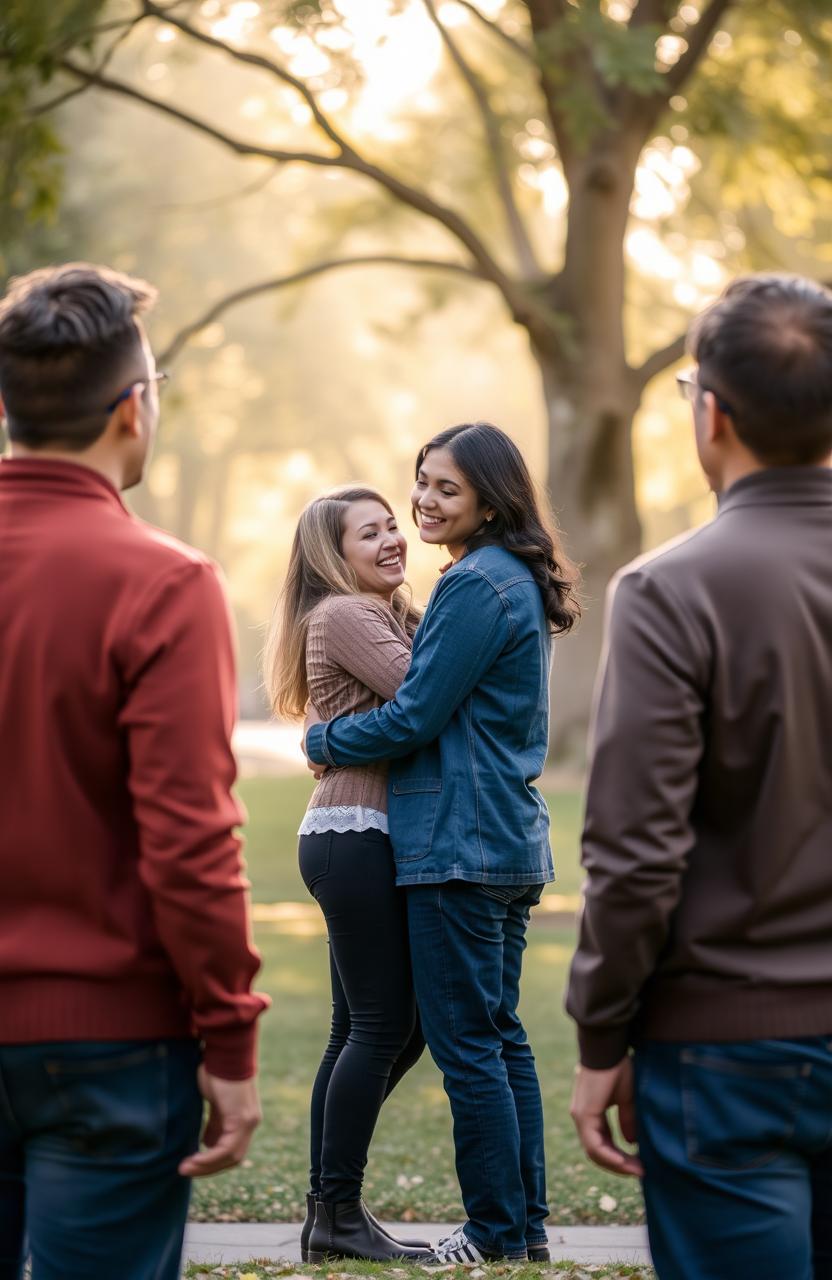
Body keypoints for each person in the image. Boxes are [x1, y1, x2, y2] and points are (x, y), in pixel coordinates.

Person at [0, 263, 268, 1280]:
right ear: (132, 407)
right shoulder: (165, 584)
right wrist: (230, 1040)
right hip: (110, 1046)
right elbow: (191, 843)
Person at [566, 273, 832, 1280]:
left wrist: (601, 1032)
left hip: (722, 1051)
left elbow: (634, 853)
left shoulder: (669, 590)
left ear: (709, 412)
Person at [305, 422, 580, 1263]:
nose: (422, 501)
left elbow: (420, 710)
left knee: (467, 1042)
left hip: (458, 839)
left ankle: (497, 1232)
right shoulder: (513, 580)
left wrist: (323, 743)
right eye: (420, 481)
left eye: (445, 488)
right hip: (502, 831)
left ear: (492, 500)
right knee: (499, 1035)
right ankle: (522, 1230)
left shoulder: (472, 586)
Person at [263, 485, 431, 1263]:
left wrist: (333, 737)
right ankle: (333, 1210)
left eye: (393, 525)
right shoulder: (347, 614)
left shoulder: (385, 613)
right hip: (356, 833)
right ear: (336, 554)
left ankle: (330, 1209)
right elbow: (435, 697)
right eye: (372, 533)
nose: (393, 538)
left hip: (357, 835)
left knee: (368, 1029)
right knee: (383, 1027)